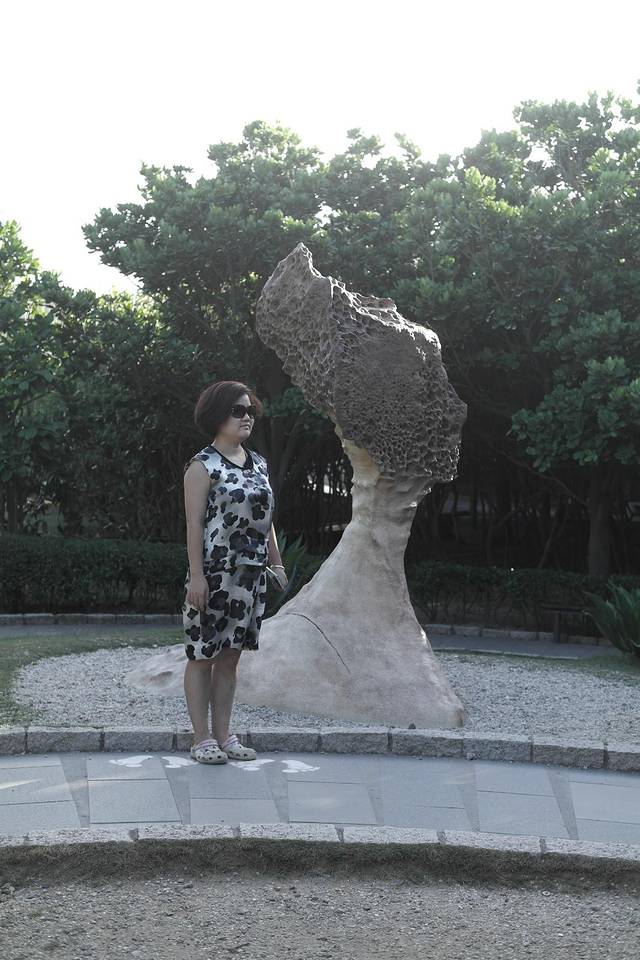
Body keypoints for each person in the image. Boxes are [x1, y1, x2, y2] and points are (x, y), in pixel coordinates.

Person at [181, 381, 288, 764]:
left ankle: (225, 736)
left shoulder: (259, 464)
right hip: (214, 575)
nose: (247, 418)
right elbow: (194, 525)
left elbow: (266, 519)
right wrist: (197, 576)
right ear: (217, 416)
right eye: (237, 411)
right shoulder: (202, 466)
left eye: (250, 411)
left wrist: (276, 563)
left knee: (230, 658)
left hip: (249, 577)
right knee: (202, 655)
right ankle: (201, 739)